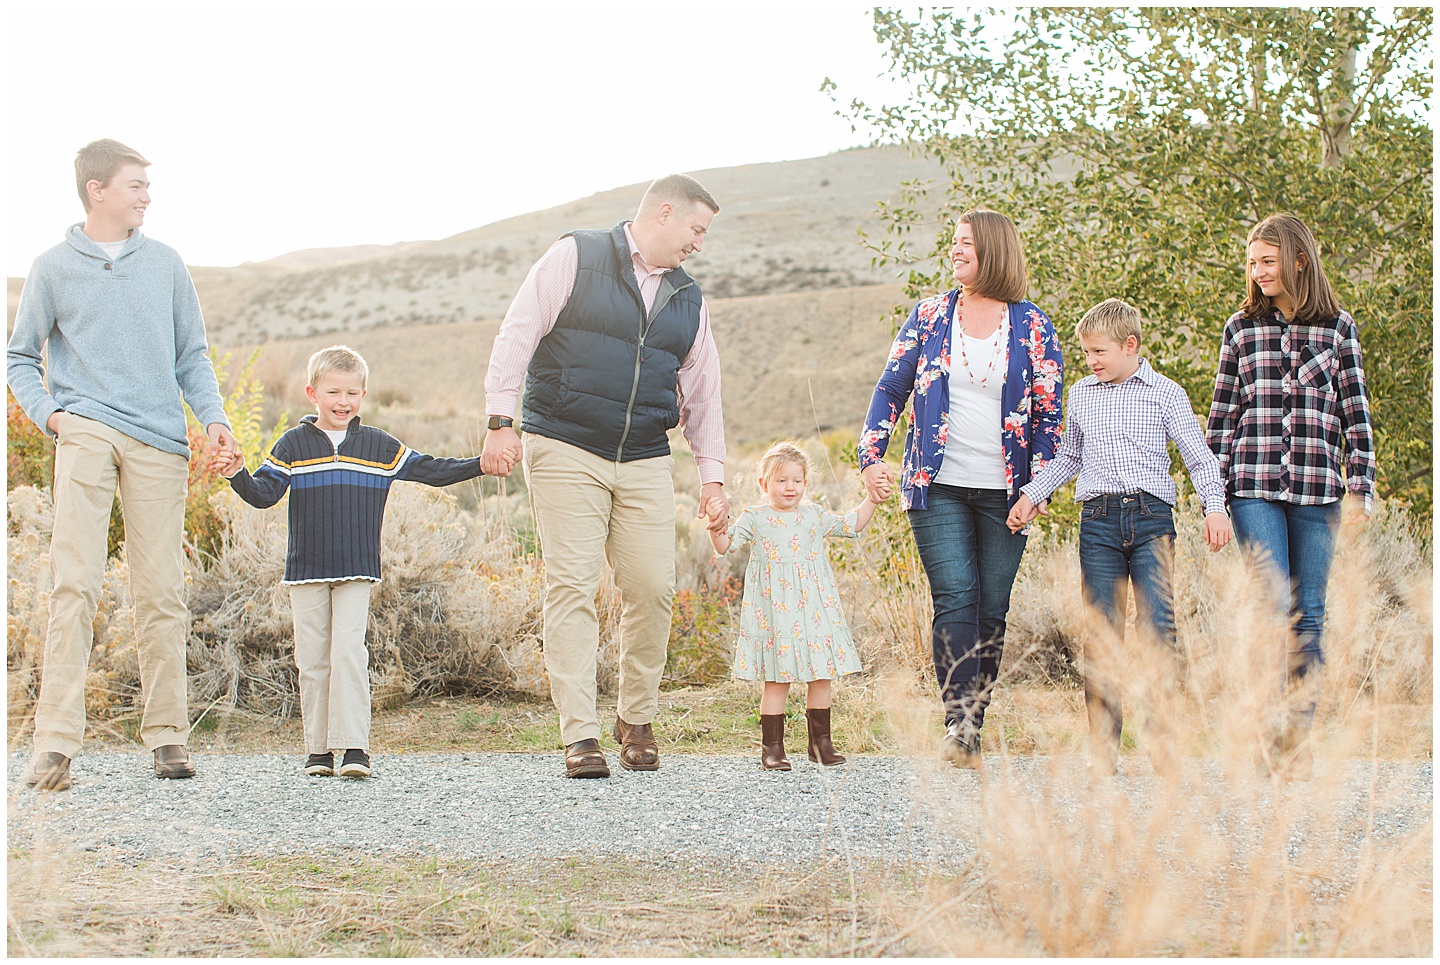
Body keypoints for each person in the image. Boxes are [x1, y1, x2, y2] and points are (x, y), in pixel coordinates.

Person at [480, 174, 728, 779]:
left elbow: (703, 392)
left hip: (644, 455)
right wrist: (498, 420)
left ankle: (635, 717)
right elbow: (518, 332)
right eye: (695, 230)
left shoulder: (687, 297)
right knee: (572, 584)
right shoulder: (577, 255)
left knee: (652, 587)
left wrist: (713, 478)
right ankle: (580, 735)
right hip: (564, 443)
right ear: (664, 213)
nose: (698, 244)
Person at [8, 139, 237, 790]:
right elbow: (19, 355)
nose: (146, 195)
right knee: (72, 584)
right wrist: (52, 417)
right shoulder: (52, 267)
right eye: (135, 185)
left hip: (160, 440)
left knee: (159, 591)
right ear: (96, 190)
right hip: (84, 431)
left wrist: (213, 417)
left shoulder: (165, 264)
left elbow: (191, 354)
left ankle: (168, 739)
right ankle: (54, 746)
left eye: (147, 185)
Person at [212, 346, 494, 778]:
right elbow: (263, 493)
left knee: (348, 653)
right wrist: (236, 472)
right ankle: (319, 752)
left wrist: (481, 464)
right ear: (312, 393)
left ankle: (355, 749)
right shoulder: (293, 444)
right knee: (312, 659)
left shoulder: (378, 446)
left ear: (363, 394)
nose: (342, 402)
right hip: (305, 570)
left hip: (357, 568)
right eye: (332, 392)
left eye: (351, 393)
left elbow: (431, 470)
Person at [857, 208, 1063, 769]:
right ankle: (960, 723)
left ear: (992, 251)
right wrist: (871, 456)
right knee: (956, 597)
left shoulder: (1034, 326)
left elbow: (1049, 417)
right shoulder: (928, 317)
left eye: (966, 243)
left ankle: (976, 714)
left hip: (1007, 493)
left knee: (991, 608)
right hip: (937, 485)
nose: (955, 251)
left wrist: (1037, 488)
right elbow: (890, 389)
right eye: (953, 243)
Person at [1008, 298, 1233, 776]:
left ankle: (1163, 745)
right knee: (1102, 632)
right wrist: (1032, 493)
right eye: (1087, 352)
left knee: (1158, 631)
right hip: (1099, 522)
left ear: (1131, 346)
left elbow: (1197, 456)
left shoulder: (1166, 393)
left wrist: (1215, 507)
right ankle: (1103, 749)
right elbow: (1070, 457)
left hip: (1152, 520)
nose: (1091, 361)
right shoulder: (1084, 395)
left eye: (1099, 352)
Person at [1205, 213, 1374, 779]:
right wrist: (1212, 494)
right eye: (1251, 264)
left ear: (1299, 260)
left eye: (1267, 262)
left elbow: (1356, 413)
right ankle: (1265, 728)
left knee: (1310, 615)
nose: (1257, 273)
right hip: (1252, 485)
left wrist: (1360, 490)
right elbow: (1223, 416)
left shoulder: (1337, 327)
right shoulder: (1240, 328)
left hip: (1318, 489)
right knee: (1272, 605)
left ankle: (1296, 741)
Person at [706, 443, 879, 770]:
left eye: (796, 481)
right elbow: (726, 547)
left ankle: (820, 744)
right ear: (764, 484)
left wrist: (871, 498)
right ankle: (772, 748)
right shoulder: (755, 518)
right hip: (776, 615)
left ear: (805, 483)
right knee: (777, 678)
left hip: (814, 609)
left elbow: (850, 526)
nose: (790, 488)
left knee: (822, 674)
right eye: (781, 481)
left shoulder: (813, 515)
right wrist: (716, 530)